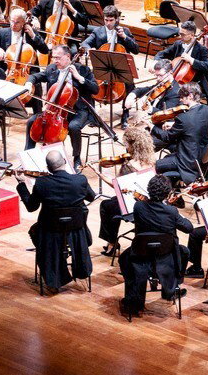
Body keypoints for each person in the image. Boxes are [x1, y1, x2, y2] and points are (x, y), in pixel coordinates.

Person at [17, 149, 96, 293]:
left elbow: (31, 207)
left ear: (48, 168)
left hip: (50, 230)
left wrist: (22, 184)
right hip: (76, 229)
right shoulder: (80, 180)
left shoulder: (42, 183)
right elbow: (91, 197)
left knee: (34, 231)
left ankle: (53, 272)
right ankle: (78, 269)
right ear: (65, 162)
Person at [119, 175, 193, 316]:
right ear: (167, 193)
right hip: (165, 256)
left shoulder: (139, 206)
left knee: (124, 258)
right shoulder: (171, 211)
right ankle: (172, 287)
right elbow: (189, 228)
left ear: (149, 190)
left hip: (141, 254)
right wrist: (169, 208)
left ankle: (134, 302)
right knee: (185, 252)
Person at [25, 44, 98, 166]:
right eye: (54, 58)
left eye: (58, 58)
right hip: (54, 110)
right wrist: (28, 83)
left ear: (68, 56)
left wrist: (79, 78)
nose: (55, 61)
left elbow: (95, 89)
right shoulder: (52, 69)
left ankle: (77, 158)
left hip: (78, 110)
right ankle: (28, 154)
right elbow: (34, 76)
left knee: (74, 127)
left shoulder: (83, 70)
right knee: (31, 121)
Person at [97, 126, 158, 256]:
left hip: (133, 207)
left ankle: (112, 243)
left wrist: (103, 176)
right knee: (112, 203)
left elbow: (120, 188)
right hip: (148, 203)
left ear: (133, 146)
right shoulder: (151, 161)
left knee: (107, 206)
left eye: (127, 144)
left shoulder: (130, 165)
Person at [152, 83, 208, 183]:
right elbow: (194, 124)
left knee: (155, 165)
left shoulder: (183, 118)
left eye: (182, 97)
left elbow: (166, 137)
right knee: (167, 157)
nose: (180, 100)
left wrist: (152, 126)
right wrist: (174, 125)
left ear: (190, 96)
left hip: (186, 162)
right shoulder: (206, 109)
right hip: (199, 156)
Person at [154, 20, 208, 107]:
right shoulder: (178, 44)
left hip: (194, 81)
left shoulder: (201, 49)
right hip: (176, 77)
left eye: (183, 34)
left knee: (176, 93)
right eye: (180, 33)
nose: (180, 36)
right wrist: (156, 62)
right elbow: (162, 53)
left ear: (192, 35)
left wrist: (192, 60)